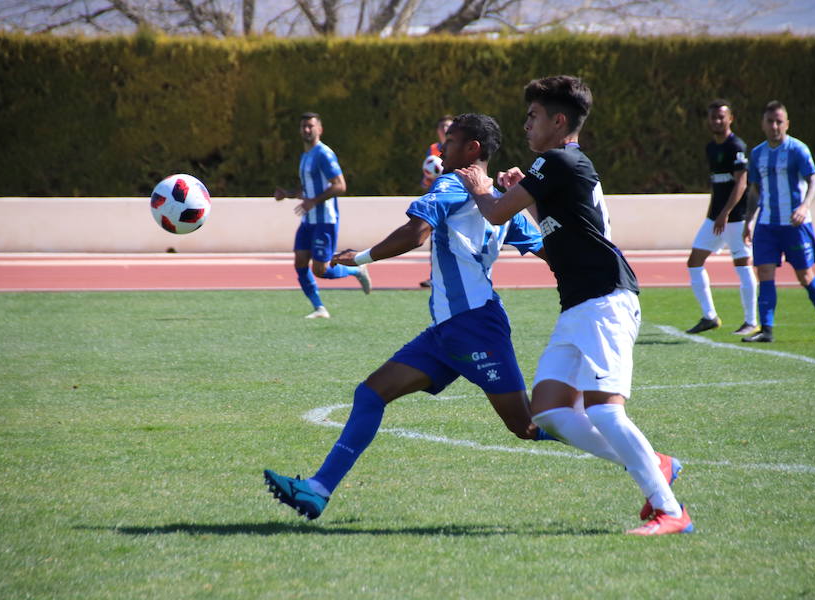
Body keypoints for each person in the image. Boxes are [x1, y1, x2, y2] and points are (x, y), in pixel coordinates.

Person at [263, 113, 559, 521]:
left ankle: (640, 455)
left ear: (472, 148)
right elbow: (551, 250)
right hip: (447, 333)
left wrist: (361, 257)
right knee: (371, 393)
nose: (442, 149)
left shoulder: (455, 184)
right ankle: (317, 490)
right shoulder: (501, 200)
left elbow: (415, 233)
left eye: (450, 142)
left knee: (525, 427)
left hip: (476, 329)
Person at [456, 75, 693, 536]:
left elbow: (494, 213)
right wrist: (524, 192)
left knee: (605, 410)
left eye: (533, 116)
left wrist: (481, 185)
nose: (526, 124)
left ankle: (671, 511)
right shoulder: (559, 166)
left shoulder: (559, 160)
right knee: (547, 411)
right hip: (579, 305)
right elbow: (553, 229)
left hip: (605, 299)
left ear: (558, 120)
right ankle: (655, 462)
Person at [741, 101, 815, 343]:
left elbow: (814, 182)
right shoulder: (758, 154)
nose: (774, 126)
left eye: (779, 121)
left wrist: (804, 206)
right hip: (767, 225)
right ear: (763, 124)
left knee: (805, 276)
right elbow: (755, 190)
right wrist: (749, 221)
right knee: (764, 273)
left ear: (787, 124)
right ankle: (767, 330)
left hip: (795, 226)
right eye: (770, 121)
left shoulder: (798, 150)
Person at [274, 112, 371, 319]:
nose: (307, 130)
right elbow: (305, 189)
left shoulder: (324, 154)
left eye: (311, 126)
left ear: (320, 129)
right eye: (304, 127)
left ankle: (357, 270)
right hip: (308, 220)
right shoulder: (305, 156)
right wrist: (288, 194)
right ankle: (319, 308)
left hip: (325, 221)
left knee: (321, 270)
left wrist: (312, 202)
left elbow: (340, 185)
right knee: (300, 262)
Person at [685, 99, 759, 336]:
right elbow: (718, 186)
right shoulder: (711, 147)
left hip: (734, 217)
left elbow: (741, 183)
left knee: (742, 265)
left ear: (730, 119)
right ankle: (710, 317)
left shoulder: (736, 145)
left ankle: (751, 321)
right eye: (713, 117)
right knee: (694, 261)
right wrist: (715, 214)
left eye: (721, 117)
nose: (717, 121)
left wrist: (726, 213)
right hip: (715, 218)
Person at [419, 115, 453, 288]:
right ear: (438, 131)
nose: (445, 130)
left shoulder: (459, 147)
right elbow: (426, 177)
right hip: (436, 198)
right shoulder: (432, 150)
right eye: (442, 127)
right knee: (435, 237)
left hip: (453, 198)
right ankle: (435, 277)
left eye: (449, 126)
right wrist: (427, 179)